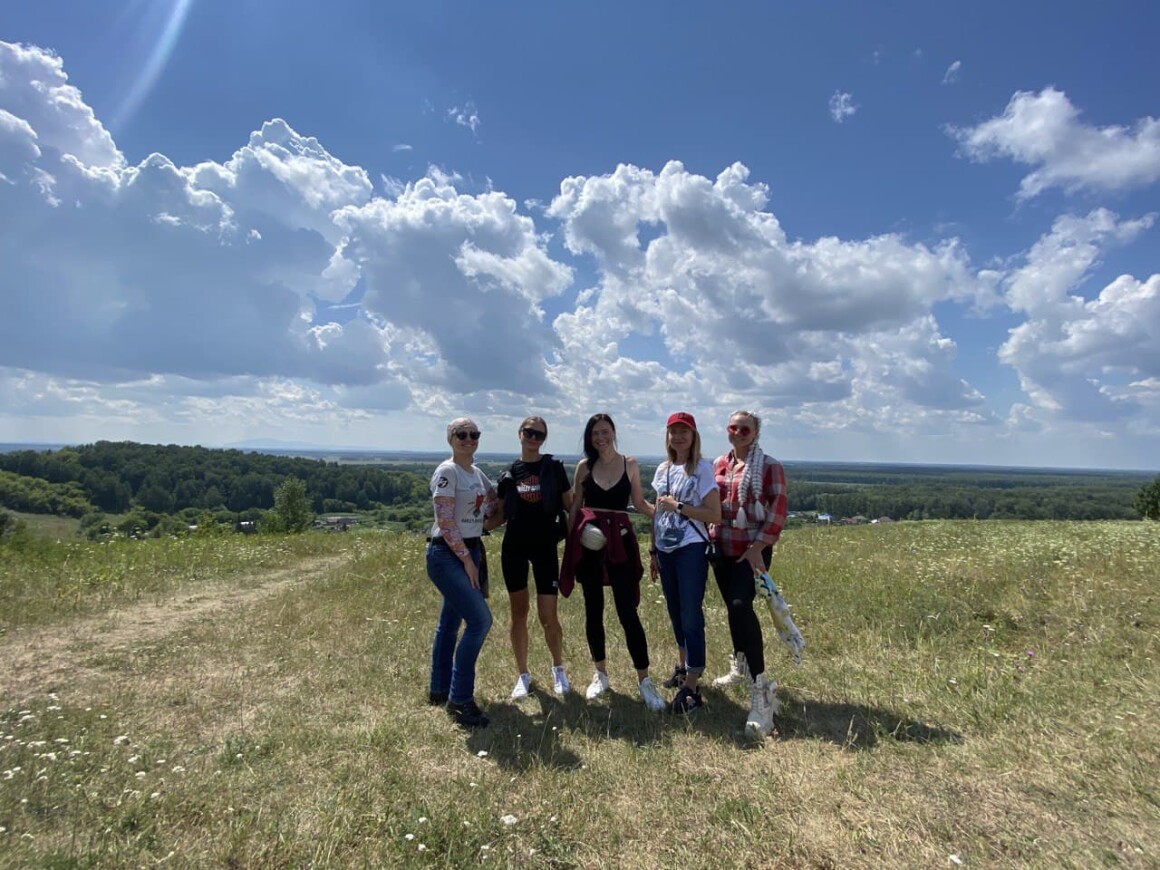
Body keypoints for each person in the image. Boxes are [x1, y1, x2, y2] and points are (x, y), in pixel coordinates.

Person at [560, 413, 666, 712]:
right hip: (590, 545)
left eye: (604, 432)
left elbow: (640, 503)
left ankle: (644, 680)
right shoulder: (584, 466)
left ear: (613, 433)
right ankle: (601, 674)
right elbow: (576, 506)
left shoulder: (629, 464)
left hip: (620, 543)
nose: (600, 438)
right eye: (595, 433)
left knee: (627, 613)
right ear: (589, 437)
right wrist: (571, 542)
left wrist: (665, 513)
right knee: (593, 610)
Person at [709, 410, 789, 738]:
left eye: (745, 429)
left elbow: (778, 509)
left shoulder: (769, 467)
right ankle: (739, 664)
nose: (738, 433)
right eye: (733, 427)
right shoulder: (719, 464)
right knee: (732, 608)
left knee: (741, 605)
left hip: (752, 549)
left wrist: (758, 548)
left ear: (755, 433)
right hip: (721, 547)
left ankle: (760, 687)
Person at [426, 417, 498, 729]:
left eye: (473, 434)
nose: (468, 439)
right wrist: (468, 560)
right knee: (480, 621)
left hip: (470, 549)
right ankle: (460, 699)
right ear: (451, 438)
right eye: (461, 434)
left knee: (450, 622)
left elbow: (493, 503)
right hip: (446, 554)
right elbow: (445, 521)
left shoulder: (476, 473)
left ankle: (439, 689)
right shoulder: (448, 471)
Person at [494, 416, 573, 699]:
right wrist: (464, 529)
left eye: (539, 434)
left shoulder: (553, 468)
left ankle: (558, 668)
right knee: (518, 614)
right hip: (514, 547)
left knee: (548, 617)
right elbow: (499, 515)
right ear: (520, 433)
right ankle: (523, 675)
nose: (533, 438)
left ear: (544, 439)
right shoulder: (508, 472)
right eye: (529, 432)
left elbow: (570, 505)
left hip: (545, 547)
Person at [649, 412, 722, 714]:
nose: (678, 437)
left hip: (690, 548)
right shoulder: (664, 469)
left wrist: (679, 506)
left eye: (684, 432)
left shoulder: (702, 469)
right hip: (665, 549)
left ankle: (692, 683)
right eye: (673, 432)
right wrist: (652, 550)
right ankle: (683, 667)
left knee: (690, 613)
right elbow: (657, 512)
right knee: (675, 611)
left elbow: (714, 514)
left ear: (693, 436)